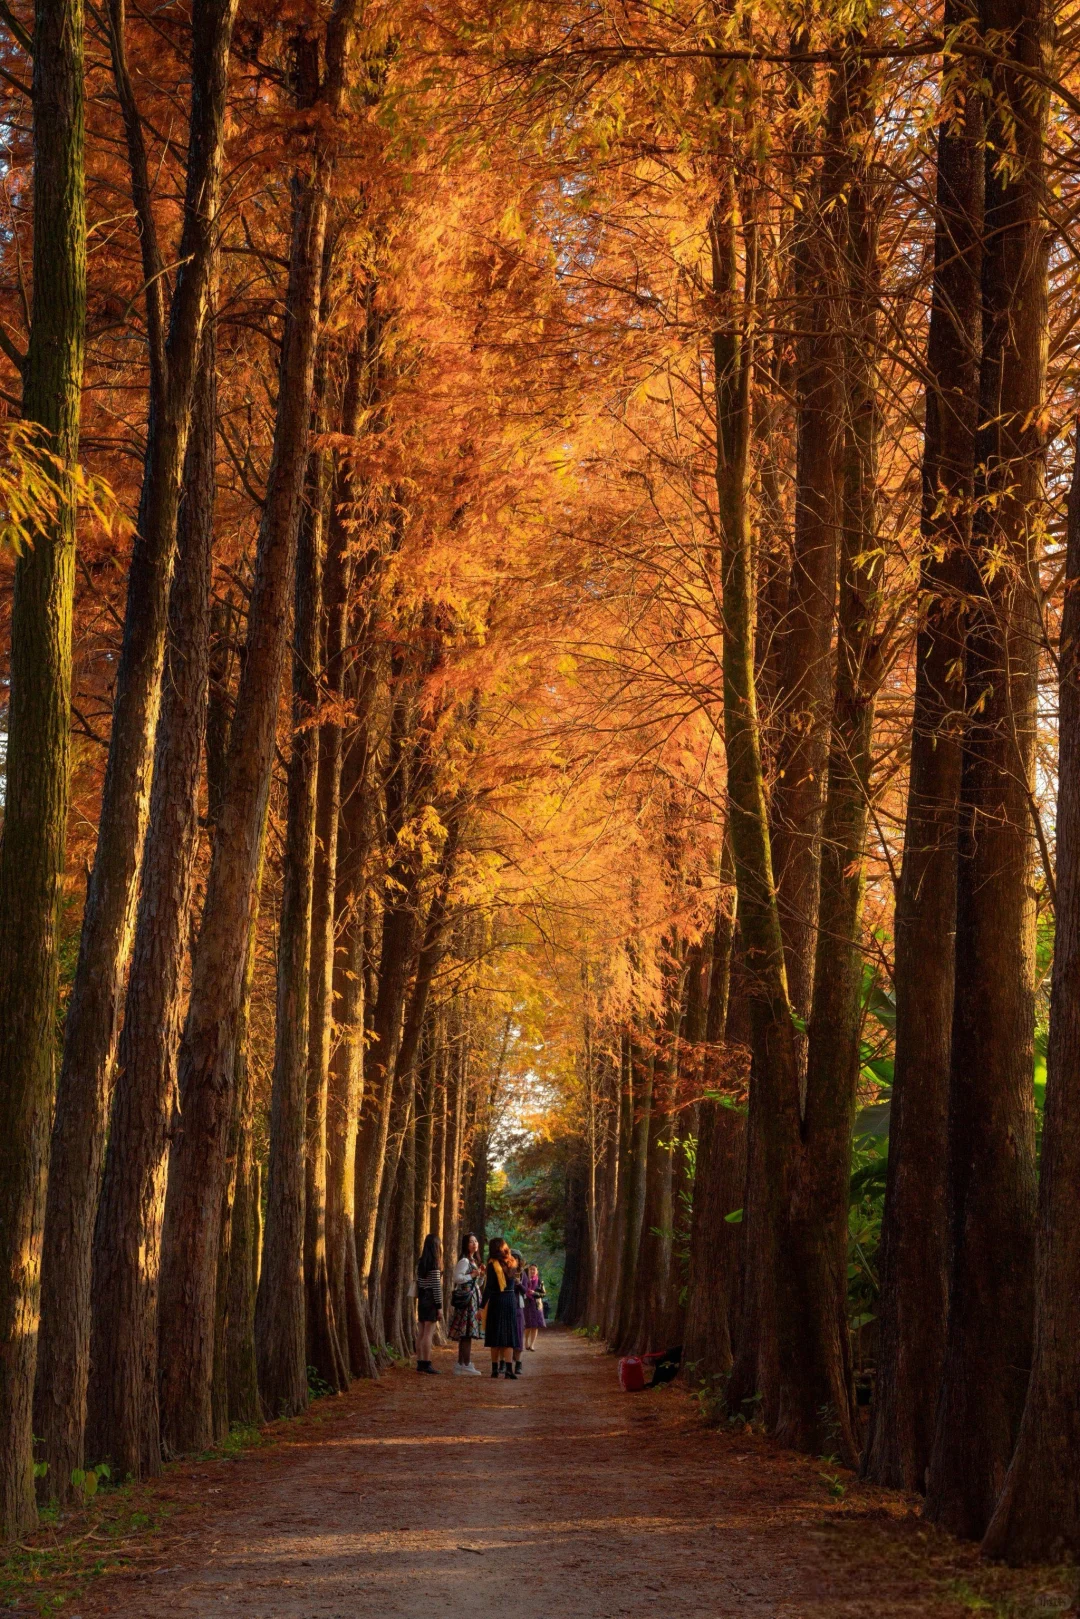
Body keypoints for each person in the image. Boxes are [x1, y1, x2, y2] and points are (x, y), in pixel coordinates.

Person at [481, 1237, 520, 1378]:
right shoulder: (512, 1262)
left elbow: (489, 1288)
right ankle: (509, 1369)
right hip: (510, 1300)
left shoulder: (492, 1264)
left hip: (497, 1300)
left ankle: (495, 1369)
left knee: (495, 1334)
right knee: (509, 1334)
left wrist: (481, 1306)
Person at [448, 1232, 484, 1376]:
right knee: (466, 1333)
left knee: (467, 1333)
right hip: (466, 1302)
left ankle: (462, 1363)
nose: (474, 1244)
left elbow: (476, 1283)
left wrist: (480, 1276)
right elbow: (457, 1278)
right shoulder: (464, 1261)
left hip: (472, 1300)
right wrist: (472, 1275)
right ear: (465, 1244)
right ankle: (465, 1364)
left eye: (476, 1241)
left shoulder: (474, 1261)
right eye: (471, 1241)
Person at [415, 1232, 442, 1374]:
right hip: (431, 1299)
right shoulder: (435, 1264)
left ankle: (419, 1362)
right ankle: (427, 1363)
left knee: (421, 1333)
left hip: (421, 1298)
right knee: (428, 1333)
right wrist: (440, 1307)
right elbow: (436, 1287)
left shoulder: (421, 1263)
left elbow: (418, 1282)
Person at [510, 1249, 526, 1375]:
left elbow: (526, 1290)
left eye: (515, 1258)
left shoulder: (523, 1274)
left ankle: (519, 1364)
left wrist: (519, 1283)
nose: (513, 1260)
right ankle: (506, 1362)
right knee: (508, 1335)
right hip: (507, 1306)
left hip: (518, 1307)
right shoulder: (505, 1272)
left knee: (519, 1334)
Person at [523, 1263, 546, 1352]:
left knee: (535, 1326)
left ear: (537, 1271)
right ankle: (526, 1342)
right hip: (527, 1304)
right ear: (528, 1271)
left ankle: (532, 1345)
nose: (532, 1271)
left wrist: (535, 1293)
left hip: (536, 1305)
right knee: (528, 1325)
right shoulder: (525, 1281)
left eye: (534, 1269)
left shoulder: (540, 1282)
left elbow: (543, 1293)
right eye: (530, 1269)